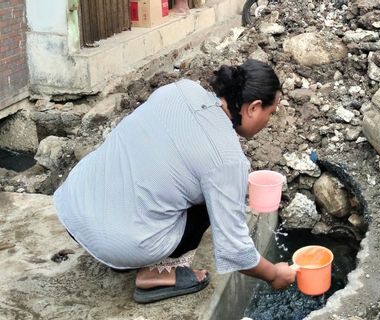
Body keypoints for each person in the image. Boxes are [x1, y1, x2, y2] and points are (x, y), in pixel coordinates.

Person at [54, 59, 296, 304]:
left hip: (73, 205)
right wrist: (274, 274)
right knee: (208, 203)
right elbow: (235, 250)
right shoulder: (228, 161)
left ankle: (122, 246)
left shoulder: (181, 90)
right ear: (254, 107)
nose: (269, 121)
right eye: (271, 112)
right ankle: (156, 275)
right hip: (117, 244)